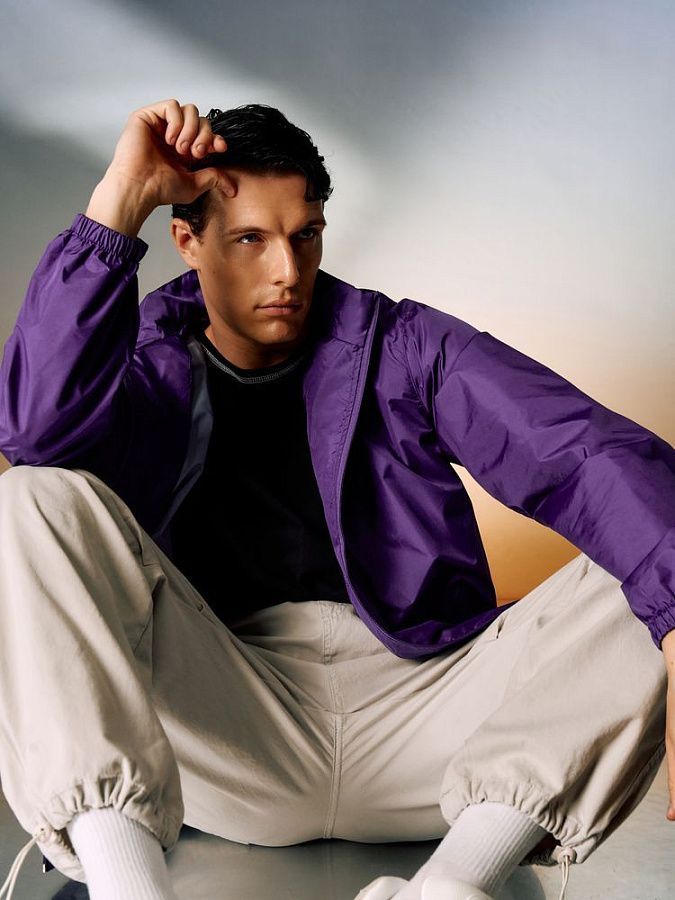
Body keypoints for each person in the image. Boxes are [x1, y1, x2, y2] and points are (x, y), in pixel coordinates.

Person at [0, 98, 673, 900]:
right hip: (230, 728)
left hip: (425, 719)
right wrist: (118, 200)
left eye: (304, 235)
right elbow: (33, 434)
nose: (287, 270)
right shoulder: (143, 362)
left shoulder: (401, 344)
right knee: (31, 499)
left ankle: (452, 886)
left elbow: (583, 455)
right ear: (187, 240)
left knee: (647, 554)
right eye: (250, 239)